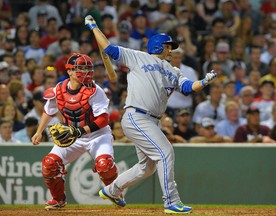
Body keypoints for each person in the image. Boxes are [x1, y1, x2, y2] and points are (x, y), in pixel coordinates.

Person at [85, 15, 217, 213]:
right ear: (157, 46)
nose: (170, 49)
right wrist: (94, 27)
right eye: (167, 46)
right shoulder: (138, 56)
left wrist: (205, 82)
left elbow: (189, 87)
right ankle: (171, 201)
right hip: (137, 115)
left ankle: (112, 190)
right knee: (165, 153)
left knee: (146, 167)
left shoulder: (174, 70)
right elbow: (110, 49)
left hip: (152, 121)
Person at [31, 52, 120, 210]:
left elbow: (103, 120)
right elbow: (49, 111)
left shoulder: (95, 90)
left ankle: (115, 192)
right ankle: (58, 200)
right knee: (49, 164)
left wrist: (79, 131)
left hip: (97, 135)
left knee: (104, 165)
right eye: (81, 69)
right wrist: (39, 131)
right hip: (73, 136)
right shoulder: (59, 89)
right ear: (69, 71)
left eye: (88, 69)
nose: (85, 73)